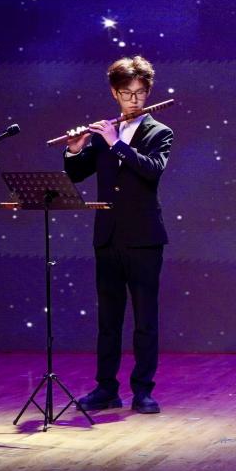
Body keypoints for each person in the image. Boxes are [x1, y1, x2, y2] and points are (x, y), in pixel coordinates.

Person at [63, 56, 173, 415]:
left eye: (140, 93)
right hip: (108, 236)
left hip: (144, 238)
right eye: (127, 93)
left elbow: (151, 170)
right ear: (115, 93)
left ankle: (143, 391)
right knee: (108, 320)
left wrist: (117, 144)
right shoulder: (103, 132)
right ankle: (106, 389)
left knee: (145, 320)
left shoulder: (159, 132)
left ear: (148, 92)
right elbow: (77, 174)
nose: (134, 100)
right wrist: (75, 149)